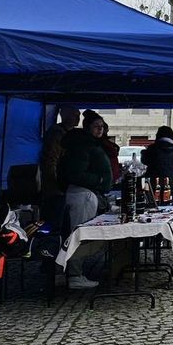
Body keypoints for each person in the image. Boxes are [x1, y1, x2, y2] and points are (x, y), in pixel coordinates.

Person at [58, 110, 113, 289]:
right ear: (88, 127)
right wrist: (98, 180)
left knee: (80, 234)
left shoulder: (91, 144)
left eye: (102, 127)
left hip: (88, 194)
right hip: (82, 195)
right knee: (78, 234)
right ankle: (75, 275)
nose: (100, 130)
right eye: (96, 126)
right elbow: (75, 174)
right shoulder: (82, 146)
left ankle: (72, 271)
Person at [39, 105, 80, 214]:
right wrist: (54, 185)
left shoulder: (71, 133)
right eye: (74, 115)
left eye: (78, 115)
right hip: (56, 185)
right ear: (65, 116)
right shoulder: (57, 133)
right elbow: (51, 160)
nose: (77, 118)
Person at [142, 126, 173, 195]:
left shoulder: (152, 148)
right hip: (171, 181)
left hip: (154, 180)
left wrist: (143, 153)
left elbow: (145, 161)